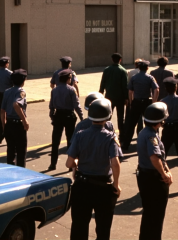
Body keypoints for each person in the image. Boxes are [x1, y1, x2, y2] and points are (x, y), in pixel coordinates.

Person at [66, 98, 122, 240]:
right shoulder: (110, 137)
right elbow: (115, 163)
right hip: (103, 187)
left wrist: (77, 163)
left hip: (82, 186)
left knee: (79, 226)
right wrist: (116, 184)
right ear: (108, 116)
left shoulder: (80, 135)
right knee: (103, 228)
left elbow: (69, 163)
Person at [136, 102, 172, 240]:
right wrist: (164, 174)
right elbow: (155, 157)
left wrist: (167, 170)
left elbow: (160, 157)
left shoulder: (144, 132)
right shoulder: (151, 136)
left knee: (149, 213)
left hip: (144, 175)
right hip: (153, 178)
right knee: (156, 215)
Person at [48, 69, 84, 170]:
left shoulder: (54, 90)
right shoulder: (71, 90)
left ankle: (52, 164)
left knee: (55, 141)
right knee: (70, 141)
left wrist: (52, 116)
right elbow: (76, 105)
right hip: (69, 116)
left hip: (58, 115)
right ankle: (70, 164)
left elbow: (51, 105)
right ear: (68, 79)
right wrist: (82, 118)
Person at [122, 60, 159, 151]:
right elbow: (156, 89)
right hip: (147, 102)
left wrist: (131, 102)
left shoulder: (134, 77)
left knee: (131, 124)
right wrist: (154, 101)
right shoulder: (150, 78)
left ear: (138, 68)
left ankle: (126, 145)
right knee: (151, 123)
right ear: (147, 68)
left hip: (136, 102)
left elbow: (130, 91)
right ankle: (154, 143)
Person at [1, 69, 28, 167]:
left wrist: (4, 126)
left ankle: (10, 172)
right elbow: (16, 104)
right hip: (18, 125)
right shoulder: (22, 92)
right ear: (23, 79)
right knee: (21, 152)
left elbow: (2, 111)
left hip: (9, 123)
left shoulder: (7, 91)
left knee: (10, 150)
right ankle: (21, 174)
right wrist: (25, 121)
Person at [99, 53, 128, 140]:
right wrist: (126, 98)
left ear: (112, 60)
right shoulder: (123, 70)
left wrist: (100, 92)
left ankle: (104, 131)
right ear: (120, 60)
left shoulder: (107, 69)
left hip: (108, 97)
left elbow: (103, 82)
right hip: (120, 97)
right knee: (120, 117)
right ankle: (122, 135)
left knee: (107, 116)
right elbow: (125, 85)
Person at [0, 56, 13, 144]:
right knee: (9, 116)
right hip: (8, 95)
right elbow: (13, 85)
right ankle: (8, 135)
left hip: (0, 95)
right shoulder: (10, 74)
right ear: (7, 64)